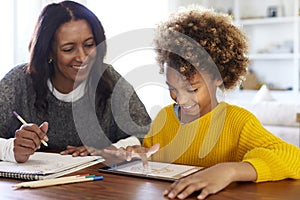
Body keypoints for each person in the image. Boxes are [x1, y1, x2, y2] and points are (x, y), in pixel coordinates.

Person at [109, 6, 300, 199]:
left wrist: (230, 171)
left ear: (219, 77)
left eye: (192, 89)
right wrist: (139, 153)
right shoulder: (164, 117)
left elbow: (293, 157)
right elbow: (151, 156)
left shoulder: (238, 122)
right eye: (172, 89)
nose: (181, 99)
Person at [0, 0, 151, 163]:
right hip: (31, 185)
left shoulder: (109, 79)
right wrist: (11, 149)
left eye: (89, 45)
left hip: (97, 184)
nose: (82, 57)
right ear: (49, 52)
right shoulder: (19, 81)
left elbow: (145, 135)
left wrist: (109, 149)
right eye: (68, 49)